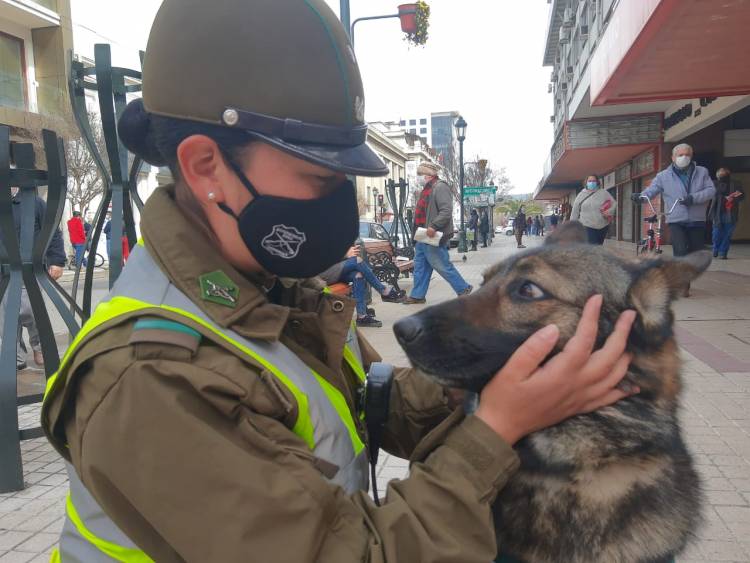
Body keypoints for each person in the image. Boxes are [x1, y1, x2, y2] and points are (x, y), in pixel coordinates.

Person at [40, 2, 636, 561]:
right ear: (205, 166)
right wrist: (496, 427)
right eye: (317, 176)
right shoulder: (147, 378)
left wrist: (496, 372)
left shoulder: (268, 287)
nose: (339, 204)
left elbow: (369, 407)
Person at [632, 143, 715, 295]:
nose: (684, 157)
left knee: (695, 251)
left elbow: (711, 191)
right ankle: (683, 282)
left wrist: (693, 198)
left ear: (691, 156)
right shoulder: (663, 176)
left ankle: (687, 273)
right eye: (680, 154)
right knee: (681, 250)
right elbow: (652, 190)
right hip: (676, 218)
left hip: (697, 219)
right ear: (673, 157)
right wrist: (641, 197)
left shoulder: (702, 172)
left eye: (687, 154)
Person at [0, 185, 65, 370]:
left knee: (30, 310)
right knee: (5, 317)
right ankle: (15, 356)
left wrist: (57, 260)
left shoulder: (34, 203)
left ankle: (39, 347)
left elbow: (52, 231)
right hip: (2, 269)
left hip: (27, 267)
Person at [403, 161, 472, 304]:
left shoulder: (440, 187)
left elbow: (446, 211)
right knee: (420, 268)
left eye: (419, 174)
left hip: (431, 234)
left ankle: (463, 288)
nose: (418, 178)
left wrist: (433, 226)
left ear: (428, 175)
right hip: (422, 235)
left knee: (441, 264)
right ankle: (417, 295)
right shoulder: (427, 189)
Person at [319, 244, 404, 327]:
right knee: (357, 260)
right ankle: (384, 292)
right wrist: (344, 254)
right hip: (321, 273)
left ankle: (362, 317)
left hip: (334, 269)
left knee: (359, 275)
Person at [708, 167, 744, 259]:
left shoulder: (736, 183)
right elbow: (709, 195)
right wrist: (724, 198)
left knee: (727, 234)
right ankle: (716, 249)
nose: (722, 176)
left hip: (731, 212)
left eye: (724, 175)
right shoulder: (714, 183)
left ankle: (723, 252)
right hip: (717, 212)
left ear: (729, 175)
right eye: (720, 175)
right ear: (717, 175)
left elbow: (742, 196)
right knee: (716, 233)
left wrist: (734, 198)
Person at [570, 175, 617, 245]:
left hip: (602, 226)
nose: (592, 183)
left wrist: (609, 212)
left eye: (594, 181)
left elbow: (614, 203)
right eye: (590, 181)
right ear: (586, 183)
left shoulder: (603, 193)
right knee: (593, 246)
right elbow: (575, 211)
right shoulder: (581, 195)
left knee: (598, 246)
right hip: (587, 226)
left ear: (597, 182)